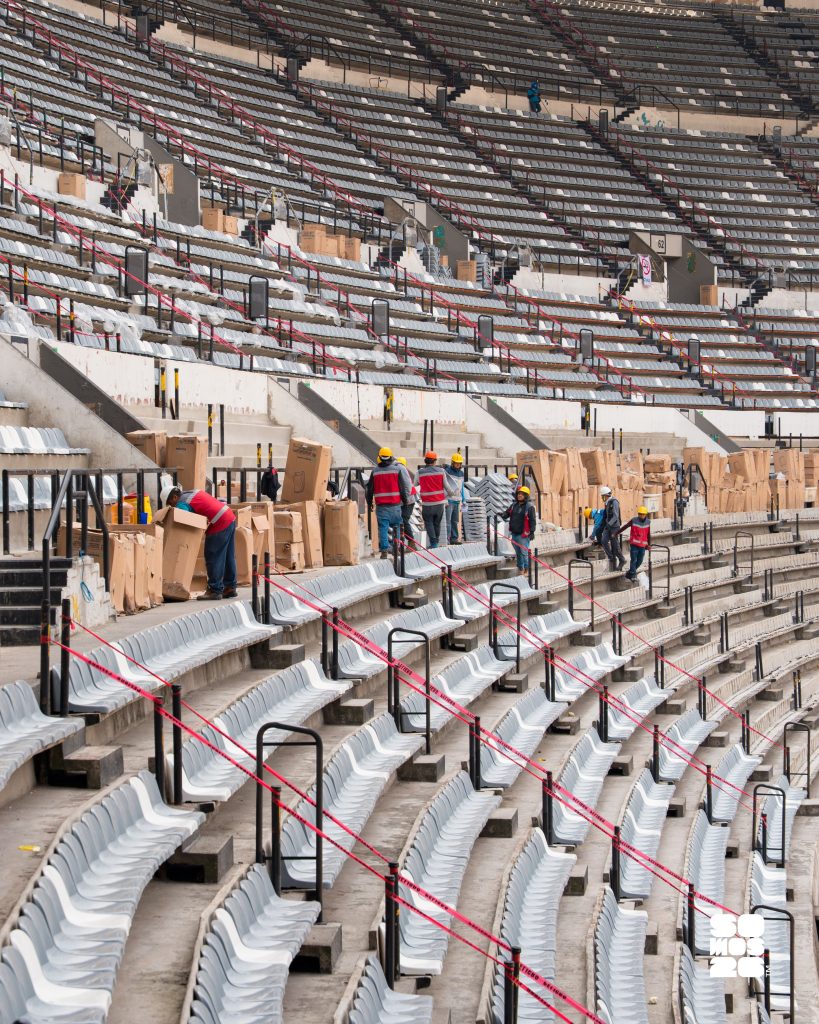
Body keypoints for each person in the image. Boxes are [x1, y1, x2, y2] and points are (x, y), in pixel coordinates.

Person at [160, 484, 237, 600]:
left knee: (213, 555)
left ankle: (215, 590)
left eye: (170, 503)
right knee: (228, 556)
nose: (172, 506)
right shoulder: (190, 493)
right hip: (229, 516)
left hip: (219, 522)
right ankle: (230, 587)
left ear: (175, 497)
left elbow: (182, 519)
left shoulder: (181, 503)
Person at [365, 447, 410, 559]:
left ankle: (384, 551)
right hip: (395, 505)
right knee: (397, 526)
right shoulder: (397, 470)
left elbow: (369, 489)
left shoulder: (375, 472)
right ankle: (396, 548)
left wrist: (369, 502)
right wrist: (405, 501)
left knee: (383, 528)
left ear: (379, 457)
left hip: (382, 506)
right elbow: (402, 488)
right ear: (391, 457)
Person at [414, 451, 456, 549]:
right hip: (439, 503)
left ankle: (434, 543)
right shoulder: (441, 471)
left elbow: (415, 485)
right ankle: (435, 542)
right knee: (437, 523)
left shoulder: (419, 472)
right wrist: (452, 494)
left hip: (427, 504)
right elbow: (447, 487)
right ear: (435, 461)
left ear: (425, 460)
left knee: (429, 523)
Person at [502, 485, 537, 574]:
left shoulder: (530, 507)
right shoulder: (514, 505)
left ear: (526, 496)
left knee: (524, 552)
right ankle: (520, 568)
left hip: (523, 534)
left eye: (522, 494)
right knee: (518, 552)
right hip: (514, 533)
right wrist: (503, 515)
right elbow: (507, 513)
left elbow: (532, 520)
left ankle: (526, 569)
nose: (519, 495)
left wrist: (532, 532)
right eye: (519, 494)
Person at [618, 506, 651, 581]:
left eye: (643, 514)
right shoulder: (634, 520)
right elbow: (625, 526)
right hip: (634, 544)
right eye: (640, 514)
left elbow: (648, 534)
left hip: (642, 545)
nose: (641, 515)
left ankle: (629, 573)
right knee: (634, 560)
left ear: (645, 514)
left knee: (640, 561)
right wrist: (617, 533)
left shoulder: (648, 522)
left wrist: (648, 544)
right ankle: (633, 575)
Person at [599, 485, 625, 571]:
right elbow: (606, 516)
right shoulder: (607, 503)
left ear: (606, 496)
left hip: (614, 526)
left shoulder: (614, 502)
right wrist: (603, 526)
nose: (602, 498)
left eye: (602, 496)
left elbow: (615, 516)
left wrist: (609, 524)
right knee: (604, 540)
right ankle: (611, 557)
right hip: (608, 526)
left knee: (614, 544)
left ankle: (622, 559)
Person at [444, 452, 465, 544]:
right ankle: (447, 539)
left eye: (459, 463)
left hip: (457, 500)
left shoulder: (461, 473)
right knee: (448, 521)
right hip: (449, 499)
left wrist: (463, 499)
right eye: (456, 463)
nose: (458, 465)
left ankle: (454, 538)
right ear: (452, 463)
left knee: (455, 521)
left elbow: (462, 487)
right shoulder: (447, 471)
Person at [396, 456, 416, 544]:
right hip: (404, 501)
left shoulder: (402, 472)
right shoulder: (402, 472)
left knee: (404, 520)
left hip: (409, 501)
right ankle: (401, 541)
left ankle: (411, 541)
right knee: (401, 520)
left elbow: (407, 489)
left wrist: (405, 500)